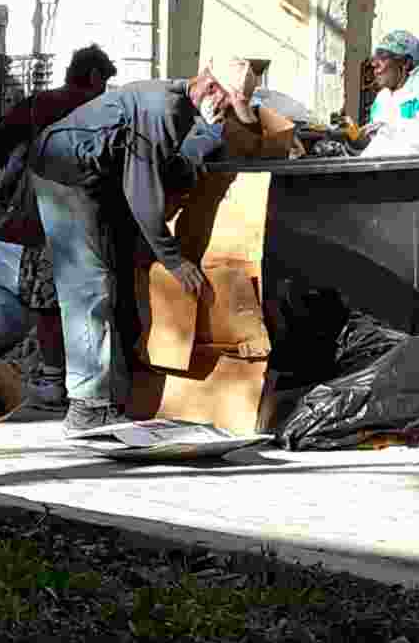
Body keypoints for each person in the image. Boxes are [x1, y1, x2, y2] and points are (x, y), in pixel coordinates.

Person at [28, 59, 254, 434]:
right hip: (64, 173)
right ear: (213, 90)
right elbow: (143, 194)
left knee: (113, 278)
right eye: (230, 105)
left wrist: (214, 139)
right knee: (89, 285)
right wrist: (175, 260)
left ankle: (111, 392)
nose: (228, 113)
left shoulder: (183, 110)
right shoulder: (161, 109)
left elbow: (169, 167)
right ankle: (87, 406)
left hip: (98, 177)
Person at [0, 44, 119, 409]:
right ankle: (94, 386)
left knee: (47, 305)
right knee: (94, 304)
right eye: (103, 82)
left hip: (45, 223)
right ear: (92, 77)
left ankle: (56, 380)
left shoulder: (41, 105)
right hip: (97, 224)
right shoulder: (103, 109)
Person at [358, 30, 419, 157]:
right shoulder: (382, 99)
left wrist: (394, 134)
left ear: (405, 63)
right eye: (375, 58)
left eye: (382, 57)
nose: (374, 65)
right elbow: (377, 145)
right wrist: (356, 141)